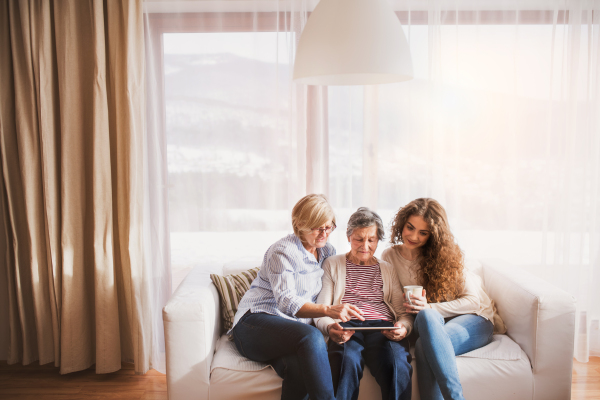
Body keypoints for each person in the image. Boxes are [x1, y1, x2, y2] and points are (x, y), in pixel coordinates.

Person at [230, 194, 364, 400]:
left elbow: (323, 299)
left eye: (328, 227)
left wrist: (329, 325)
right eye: (317, 227)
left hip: (290, 332)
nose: (324, 233)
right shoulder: (282, 252)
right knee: (311, 337)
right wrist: (329, 311)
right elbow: (286, 302)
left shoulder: (327, 252)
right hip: (253, 324)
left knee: (300, 370)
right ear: (300, 224)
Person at [382, 198, 506, 400]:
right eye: (410, 228)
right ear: (402, 223)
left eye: (423, 233)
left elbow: (474, 301)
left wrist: (429, 307)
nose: (413, 236)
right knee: (426, 325)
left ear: (433, 235)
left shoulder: (446, 255)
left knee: (425, 333)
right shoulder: (390, 256)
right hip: (432, 326)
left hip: (475, 318)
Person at [315, 207, 413, 400]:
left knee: (397, 363)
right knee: (345, 360)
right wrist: (330, 328)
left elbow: (403, 313)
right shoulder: (332, 264)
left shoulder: (387, 268)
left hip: (382, 328)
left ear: (378, 240)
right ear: (349, 236)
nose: (365, 246)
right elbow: (322, 310)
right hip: (348, 327)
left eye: (372, 240)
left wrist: (404, 328)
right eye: (359, 239)